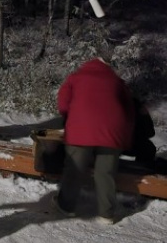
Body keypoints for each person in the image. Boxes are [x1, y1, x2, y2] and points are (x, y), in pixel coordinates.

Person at [54, 54, 135, 224]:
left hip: (81, 129)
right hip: (112, 131)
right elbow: (129, 109)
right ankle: (107, 214)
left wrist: (69, 117)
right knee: (105, 173)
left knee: (75, 169)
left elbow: (62, 101)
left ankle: (66, 206)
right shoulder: (116, 80)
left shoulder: (76, 77)